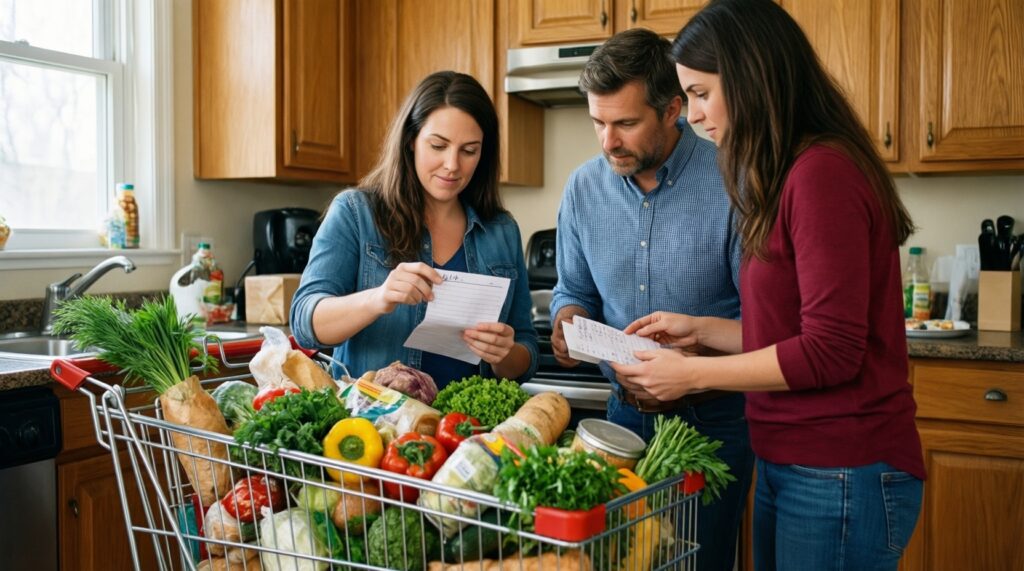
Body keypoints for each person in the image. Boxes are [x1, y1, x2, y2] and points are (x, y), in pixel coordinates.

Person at [612, 1, 925, 569]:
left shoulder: (821, 173)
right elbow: (791, 334)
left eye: (703, 93)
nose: (692, 115)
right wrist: (703, 331)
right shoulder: (783, 174)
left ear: (752, 75)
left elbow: (831, 352)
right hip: (795, 461)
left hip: (840, 469)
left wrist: (691, 373)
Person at [549, 28, 753, 571]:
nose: (607, 141)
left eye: (625, 123)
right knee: (613, 562)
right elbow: (573, 291)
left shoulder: (735, 181)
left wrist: (694, 363)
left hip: (714, 422)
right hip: (622, 419)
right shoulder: (582, 189)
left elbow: (765, 322)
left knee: (696, 562)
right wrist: (568, 321)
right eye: (598, 122)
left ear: (673, 110)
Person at [290, 71, 538, 388]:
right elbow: (304, 323)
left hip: (469, 432)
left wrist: (504, 354)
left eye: (469, 150)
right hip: (377, 428)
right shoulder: (356, 213)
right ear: (411, 141)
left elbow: (526, 352)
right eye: (438, 145)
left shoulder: (501, 230)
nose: (452, 164)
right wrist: (378, 298)